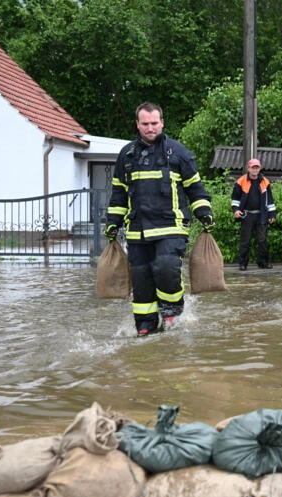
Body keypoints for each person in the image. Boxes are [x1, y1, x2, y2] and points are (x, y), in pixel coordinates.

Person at [104, 102, 214, 336]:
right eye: (145, 124)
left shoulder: (179, 153)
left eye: (154, 123)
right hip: (138, 231)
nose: (150, 128)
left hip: (171, 227)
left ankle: (172, 313)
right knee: (141, 278)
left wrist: (204, 212)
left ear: (162, 123)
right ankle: (145, 327)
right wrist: (113, 221)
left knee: (166, 268)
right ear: (137, 124)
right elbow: (119, 194)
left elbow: (196, 189)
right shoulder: (126, 155)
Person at [231, 157, 276, 270]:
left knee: (262, 240)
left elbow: (270, 200)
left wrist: (272, 215)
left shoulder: (265, 181)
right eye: (253, 167)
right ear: (248, 168)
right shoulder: (241, 181)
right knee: (245, 241)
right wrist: (236, 210)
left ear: (259, 168)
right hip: (247, 215)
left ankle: (263, 263)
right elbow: (235, 199)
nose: (255, 170)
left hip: (261, 215)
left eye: (257, 167)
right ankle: (243, 264)